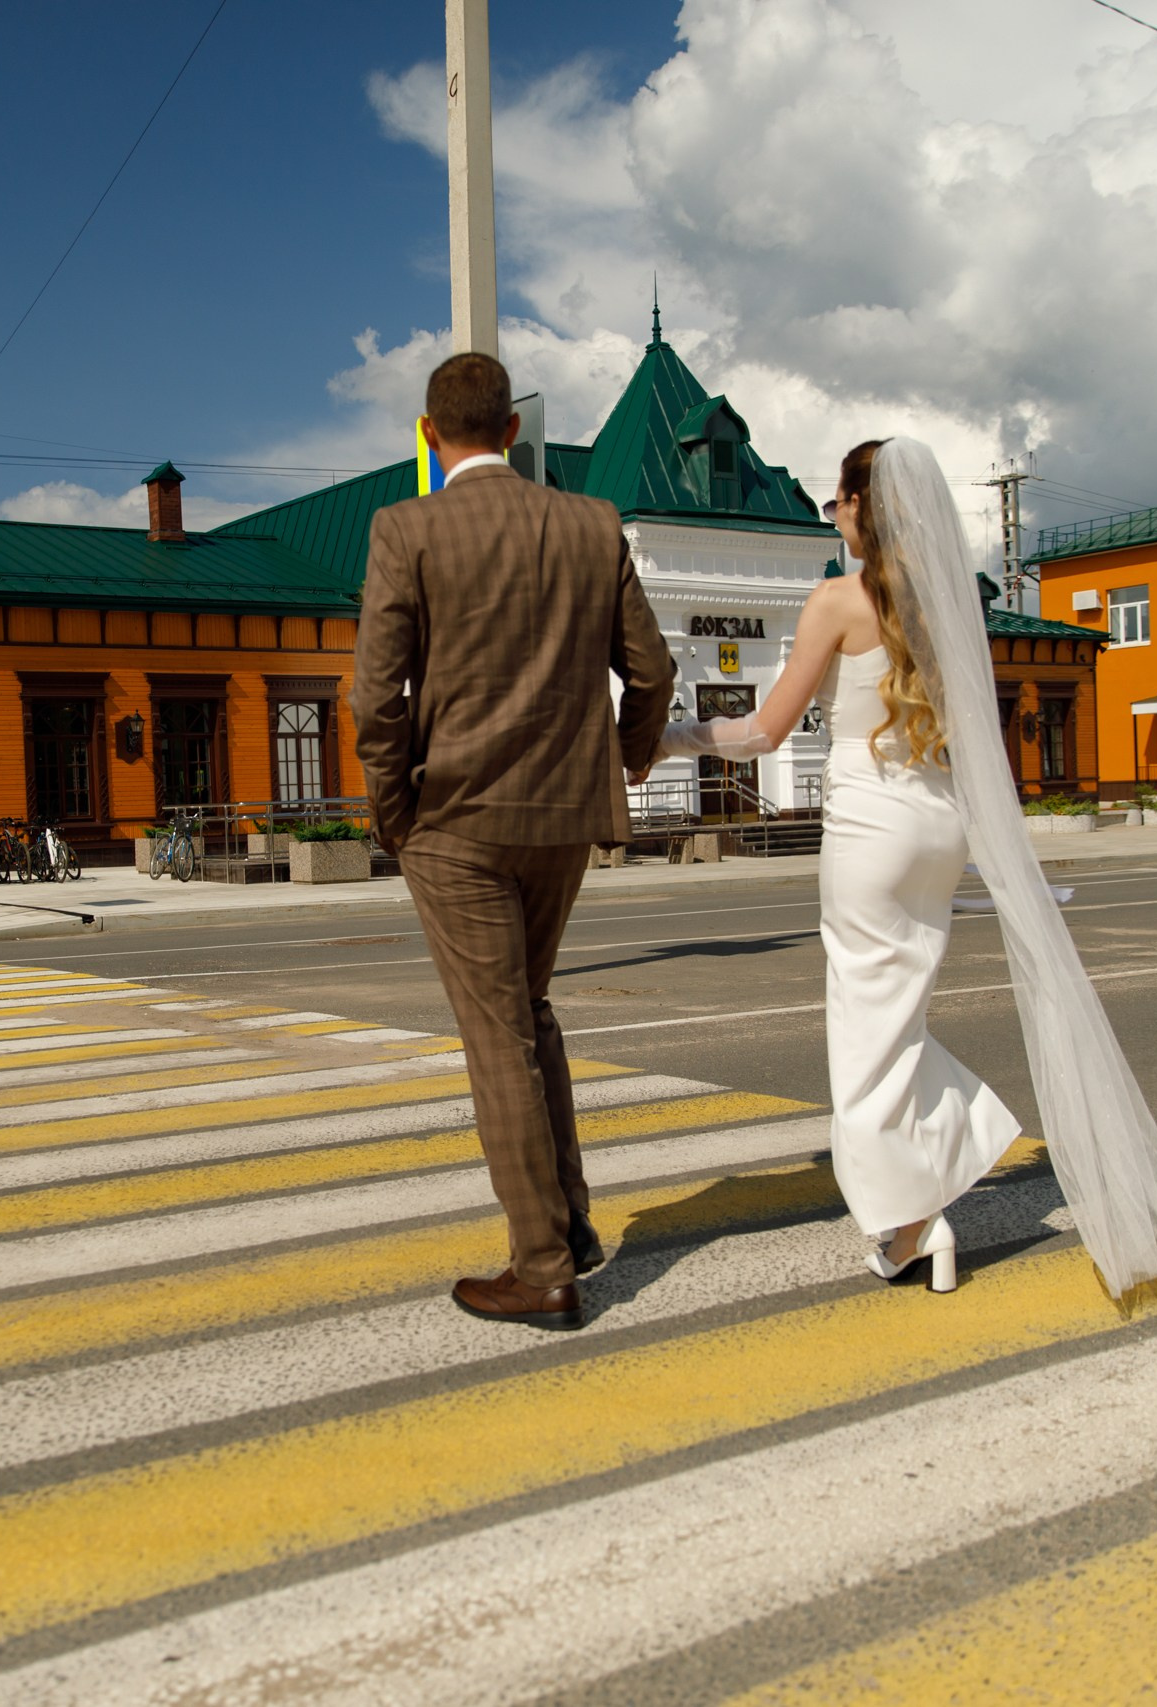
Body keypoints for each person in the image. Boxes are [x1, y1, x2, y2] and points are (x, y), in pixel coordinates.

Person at [662, 438, 1157, 1299]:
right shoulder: (946, 608)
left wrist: (672, 737)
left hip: (870, 830)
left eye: (838, 503)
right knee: (897, 1015)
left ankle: (914, 1217)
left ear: (863, 506)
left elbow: (763, 731)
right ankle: (943, 1168)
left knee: (865, 1030)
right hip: (939, 822)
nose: (834, 517)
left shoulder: (837, 601)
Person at [351, 351, 675, 1330]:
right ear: (513, 431)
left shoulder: (405, 528)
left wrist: (393, 814)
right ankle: (568, 1223)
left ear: (427, 433)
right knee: (527, 1013)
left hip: (454, 820)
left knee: (498, 1038)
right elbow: (652, 670)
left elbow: (375, 695)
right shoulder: (590, 524)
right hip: (564, 818)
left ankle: (542, 1270)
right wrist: (628, 759)